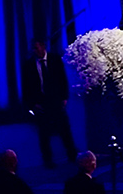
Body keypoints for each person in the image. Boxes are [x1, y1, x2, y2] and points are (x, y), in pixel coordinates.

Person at [21, 39, 77, 168]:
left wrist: (64, 97)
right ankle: (48, 160)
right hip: (41, 102)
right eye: (33, 48)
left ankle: (72, 154)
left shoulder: (55, 59)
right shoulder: (29, 65)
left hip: (56, 100)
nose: (35, 51)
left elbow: (62, 79)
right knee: (44, 133)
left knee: (65, 129)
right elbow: (26, 87)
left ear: (43, 46)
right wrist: (32, 104)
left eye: (37, 47)